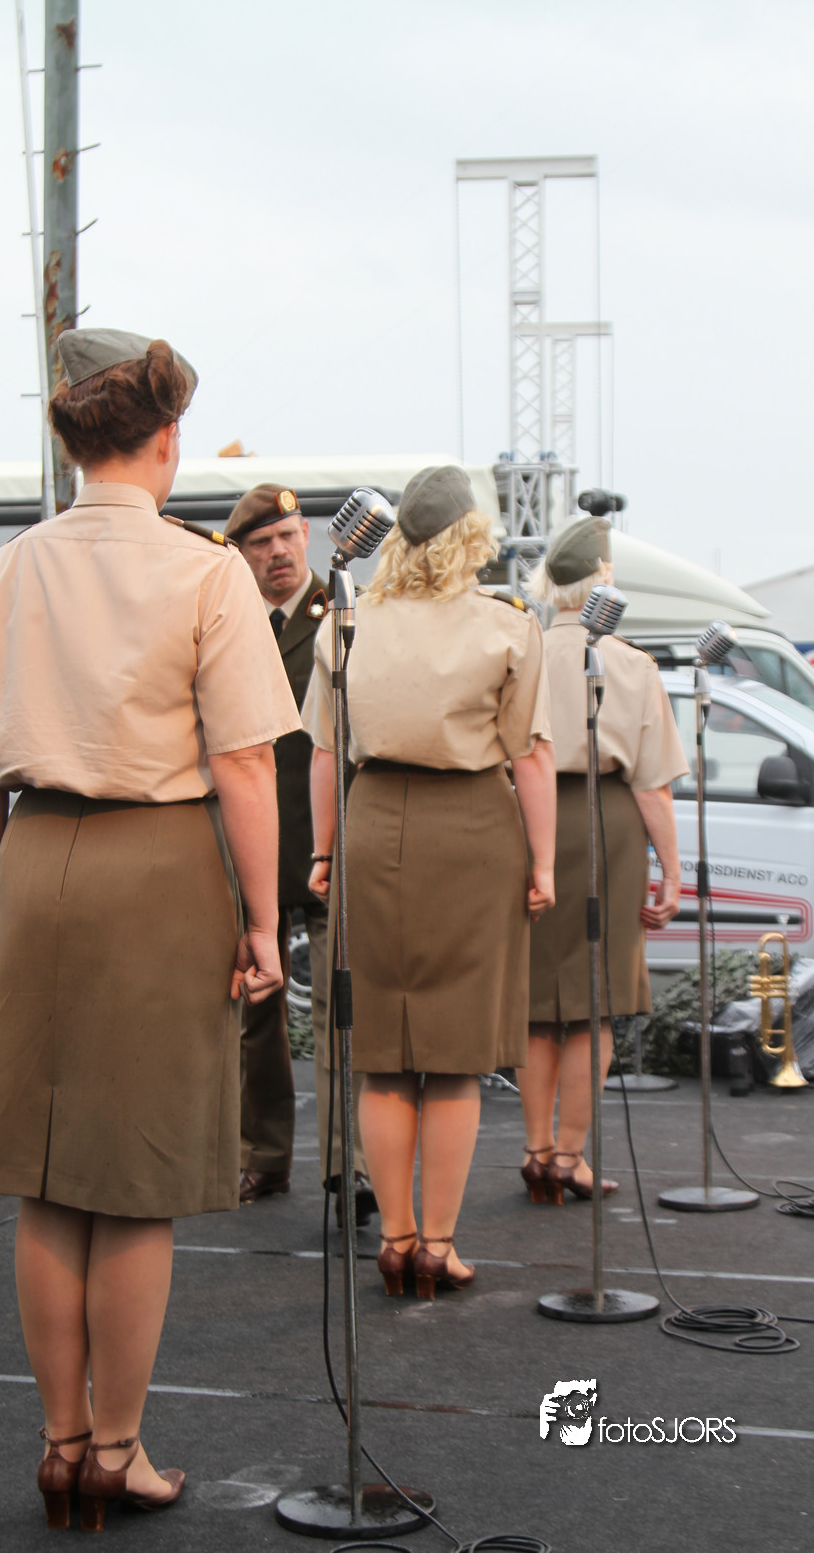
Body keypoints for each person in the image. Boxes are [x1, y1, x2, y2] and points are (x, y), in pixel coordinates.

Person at [0, 329, 300, 1531]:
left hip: (37, 860)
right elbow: (242, 764)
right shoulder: (204, 573)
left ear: (68, 439)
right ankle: (116, 1450)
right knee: (134, 1183)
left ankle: (58, 1447)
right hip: (158, 871)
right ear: (165, 437)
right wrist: (263, 923)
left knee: (48, 1182)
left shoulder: (6, 571)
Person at [303, 466, 556, 1298]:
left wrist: (322, 853)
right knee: (450, 1060)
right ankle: (437, 1245)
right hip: (473, 829)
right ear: (469, 538)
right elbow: (530, 756)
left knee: (381, 1057)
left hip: (373, 822)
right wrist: (543, 862)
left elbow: (324, 752)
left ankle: (395, 1237)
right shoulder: (506, 625)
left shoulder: (347, 623)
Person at [516, 517, 687, 1204]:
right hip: (606, 823)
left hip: (528, 820)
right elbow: (651, 785)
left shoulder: (520, 649)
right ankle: (569, 1156)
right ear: (604, 578)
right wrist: (671, 871)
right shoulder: (630, 663)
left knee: (535, 1004)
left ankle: (535, 1151)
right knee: (597, 1004)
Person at [224, 485, 375, 1223]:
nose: (277, 553)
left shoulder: (343, 613)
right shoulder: (228, 621)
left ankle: (348, 1168)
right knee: (255, 1012)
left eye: (286, 536)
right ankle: (263, 1155)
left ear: (307, 534)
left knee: (338, 1009)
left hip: (324, 840)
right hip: (251, 843)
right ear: (242, 555)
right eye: (260, 543)